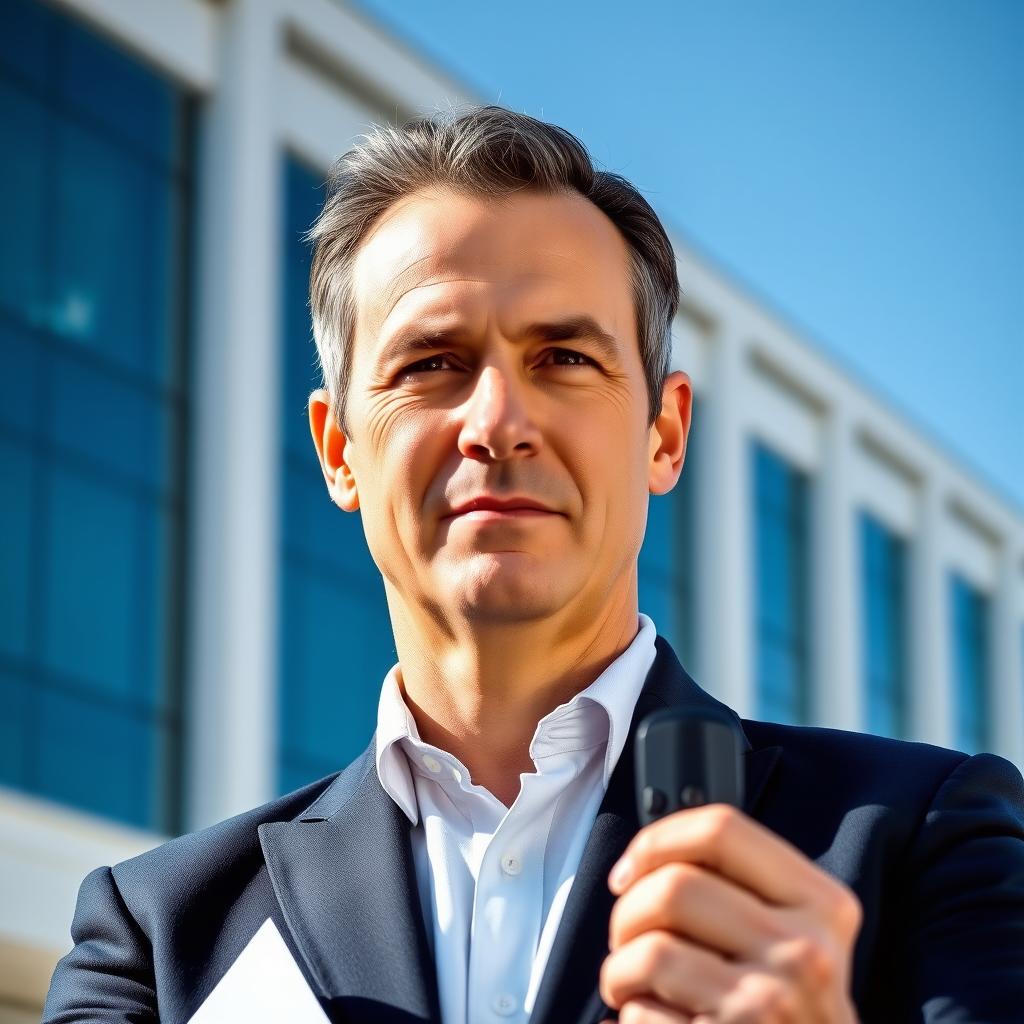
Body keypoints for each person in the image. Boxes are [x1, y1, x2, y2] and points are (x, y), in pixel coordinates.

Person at [43, 105, 1024, 1024]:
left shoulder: (929, 841)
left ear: (664, 433)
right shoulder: (157, 941)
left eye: (563, 359)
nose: (497, 424)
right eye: (431, 362)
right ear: (340, 450)